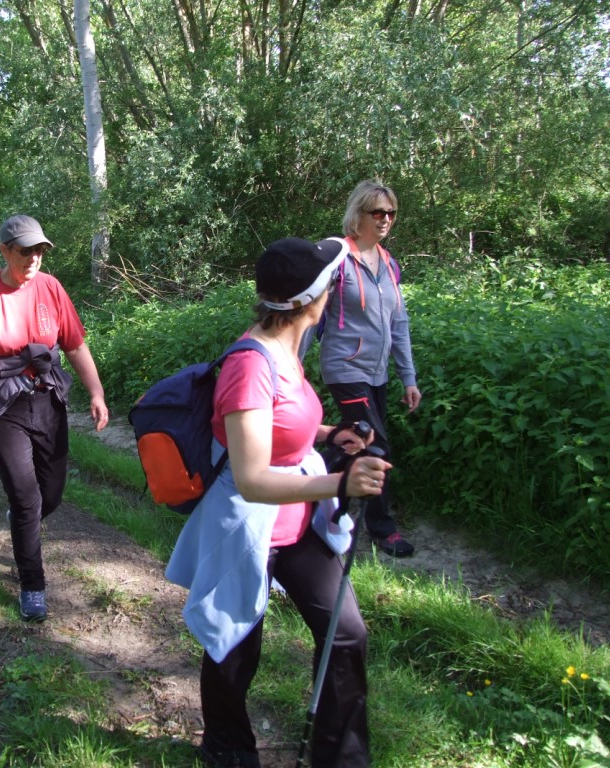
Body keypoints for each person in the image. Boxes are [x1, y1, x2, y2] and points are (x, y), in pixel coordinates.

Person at [166, 236, 390, 768]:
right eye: (331, 280)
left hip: (296, 521)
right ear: (308, 297)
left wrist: (333, 435)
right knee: (235, 645)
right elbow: (251, 477)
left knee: (345, 633)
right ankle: (227, 748)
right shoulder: (250, 364)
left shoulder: (290, 349)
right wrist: (341, 485)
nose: (337, 286)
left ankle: (341, 757)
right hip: (247, 523)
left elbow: (284, 431)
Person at [0, 214, 109, 622]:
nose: (33, 258)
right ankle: (32, 584)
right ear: (4, 251)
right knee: (26, 496)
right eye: (24, 251)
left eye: (39, 251)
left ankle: (22, 522)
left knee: (50, 494)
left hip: (46, 399)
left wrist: (97, 392)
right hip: (1, 406)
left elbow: (75, 345)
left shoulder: (50, 288)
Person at [319, 179, 421, 557]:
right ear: (358, 214)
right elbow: (311, 317)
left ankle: (317, 484)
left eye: (391, 213)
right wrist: (288, 368)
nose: (385, 219)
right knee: (376, 444)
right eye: (377, 212)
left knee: (354, 442)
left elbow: (399, 324)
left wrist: (407, 377)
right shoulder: (338, 258)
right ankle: (382, 529)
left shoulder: (389, 262)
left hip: (377, 371)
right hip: (345, 366)